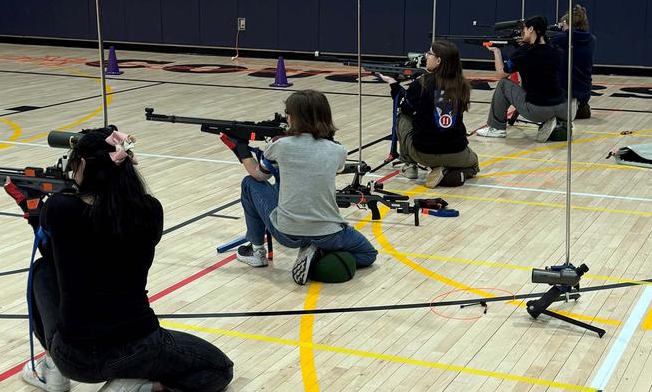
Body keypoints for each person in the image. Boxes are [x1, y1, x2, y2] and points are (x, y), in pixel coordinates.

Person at [6, 126, 233, 392]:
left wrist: (32, 208)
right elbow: (104, 233)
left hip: (74, 356)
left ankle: (52, 371)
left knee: (44, 271)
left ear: (84, 165)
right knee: (219, 369)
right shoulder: (150, 212)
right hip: (139, 344)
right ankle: (145, 388)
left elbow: (49, 246)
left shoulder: (60, 209)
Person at [228, 89, 378, 284]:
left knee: (250, 183)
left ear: (295, 117)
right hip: (329, 232)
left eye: (288, 113)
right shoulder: (338, 151)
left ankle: (257, 252)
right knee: (368, 254)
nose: (286, 117)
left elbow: (258, 174)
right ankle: (317, 253)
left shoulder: (280, 146)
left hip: (287, 232)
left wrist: (240, 149)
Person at [376, 39, 479, 188]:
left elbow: (404, 107)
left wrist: (394, 85)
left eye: (430, 53)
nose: (426, 55)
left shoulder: (421, 83)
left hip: (425, 152)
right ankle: (446, 171)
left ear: (438, 60)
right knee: (473, 165)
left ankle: (409, 165)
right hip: (456, 150)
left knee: (402, 117)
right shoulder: (463, 85)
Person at [475, 15, 570, 142]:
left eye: (523, 29)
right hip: (562, 107)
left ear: (531, 29)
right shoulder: (557, 51)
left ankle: (496, 128)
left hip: (538, 110)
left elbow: (500, 74)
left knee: (503, 84)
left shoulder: (524, 54)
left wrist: (496, 52)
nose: (522, 33)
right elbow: (539, 61)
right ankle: (558, 123)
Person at [550, 4, 596, 119]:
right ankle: (580, 105)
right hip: (584, 91)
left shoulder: (560, 39)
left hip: (563, 90)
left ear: (566, 24)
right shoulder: (591, 40)